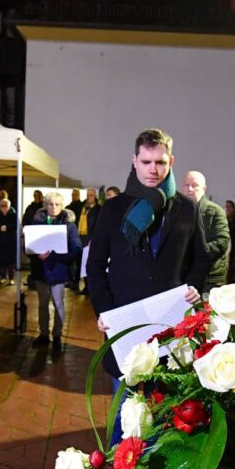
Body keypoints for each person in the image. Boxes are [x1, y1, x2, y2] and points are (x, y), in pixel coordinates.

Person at [86, 128, 208, 446]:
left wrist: (193, 286)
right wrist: (103, 311)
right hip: (126, 326)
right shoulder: (113, 210)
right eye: (146, 161)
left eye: (160, 162)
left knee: (167, 413)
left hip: (170, 326)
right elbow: (94, 267)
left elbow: (201, 259)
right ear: (134, 161)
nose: (153, 169)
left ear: (171, 161)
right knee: (125, 415)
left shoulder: (187, 208)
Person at [30, 192, 81, 349]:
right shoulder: (37, 223)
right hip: (41, 270)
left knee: (58, 304)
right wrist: (36, 253)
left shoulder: (70, 226)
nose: (53, 207)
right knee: (42, 304)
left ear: (62, 205)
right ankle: (44, 334)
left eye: (57, 204)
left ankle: (57, 335)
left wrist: (59, 254)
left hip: (58, 271)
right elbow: (28, 247)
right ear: (45, 205)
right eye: (50, 204)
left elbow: (77, 249)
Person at [181, 171, 230, 293]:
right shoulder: (178, 211)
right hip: (183, 275)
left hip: (209, 278)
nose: (190, 189)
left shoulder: (215, 212)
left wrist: (194, 253)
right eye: (186, 185)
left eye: (194, 185)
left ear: (203, 189)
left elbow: (221, 243)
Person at [77, 188, 101, 295]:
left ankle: (91, 287)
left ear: (95, 196)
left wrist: (94, 239)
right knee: (81, 264)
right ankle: (85, 286)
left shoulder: (98, 209)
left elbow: (98, 225)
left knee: (88, 264)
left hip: (91, 239)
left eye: (91, 195)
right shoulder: (83, 207)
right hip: (81, 238)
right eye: (87, 195)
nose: (89, 197)